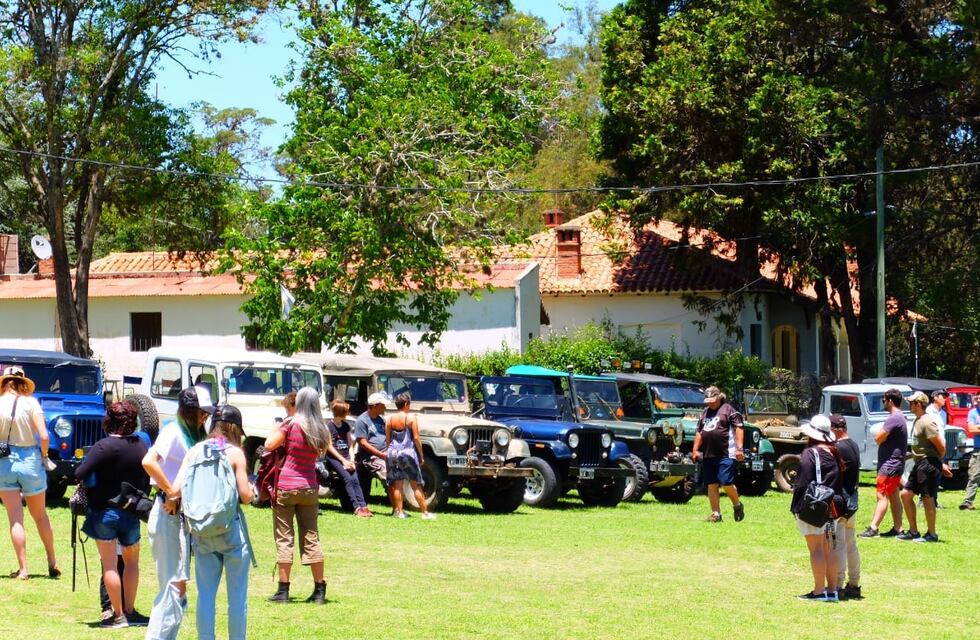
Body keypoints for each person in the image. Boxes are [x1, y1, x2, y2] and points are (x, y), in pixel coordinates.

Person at [173, 405, 255, 640]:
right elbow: (246, 497)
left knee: (206, 595)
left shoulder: (195, 450)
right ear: (235, 428)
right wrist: (252, 488)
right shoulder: (235, 453)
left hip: (202, 531)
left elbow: (176, 489)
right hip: (231, 530)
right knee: (237, 598)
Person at [143, 386, 214, 640]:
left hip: (181, 516)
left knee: (178, 586)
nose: (205, 418)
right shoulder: (173, 431)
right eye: (201, 413)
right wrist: (171, 491)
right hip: (168, 513)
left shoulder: (195, 435)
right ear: (189, 411)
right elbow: (148, 461)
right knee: (173, 587)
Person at [75, 401, 150, 628]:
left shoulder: (103, 446)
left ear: (109, 420)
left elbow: (80, 472)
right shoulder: (140, 446)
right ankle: (131, 610)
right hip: (131, 510)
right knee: (132, 564)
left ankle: (117, 615)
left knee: (109, 565)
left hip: (105, 511)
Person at [265, 387, 329, 605]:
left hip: (287, 486)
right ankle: (320, 589)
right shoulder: (320, 428)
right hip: (310, 486)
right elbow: (322, 451)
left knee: (285, 537)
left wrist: (277, 428)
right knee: (311, 536)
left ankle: (283, 590)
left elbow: (269, 445)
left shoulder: (291, 424)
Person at [0, 365, 60, 580]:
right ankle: (52, 560)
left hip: (4, 462)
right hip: (30, 460)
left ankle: (23, 569)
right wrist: (44, 456)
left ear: (4, 383)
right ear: (23, 383)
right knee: (40, 515)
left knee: (15, 518)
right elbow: (44, 436)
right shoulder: (32, 403)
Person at [791, 415, 844, 602]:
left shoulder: (810, 453)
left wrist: (796, 506)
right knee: (828, 548)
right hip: (832, 507)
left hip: (814, 508)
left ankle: (819, 591)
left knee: (816, 550)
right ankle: (832, 590)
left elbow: (802, 482)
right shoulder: (833, 452)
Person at [898, 391, 947, 542]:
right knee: (906, 494)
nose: (909, 406)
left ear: (918, 404)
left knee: (927, 497)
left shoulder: (927, 421)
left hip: (928, 463)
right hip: (919, 463)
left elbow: (941, 446)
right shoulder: (918, 420)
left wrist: (938, 463)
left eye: (911, 403)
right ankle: (913, 532)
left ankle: (931, 534)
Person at [692, 386, 746, 523]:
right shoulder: (704, 413)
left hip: (727, 453)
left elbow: (739, 428)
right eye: (708, 400)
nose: (710, 403)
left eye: (712, 400)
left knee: (726, 481)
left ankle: (737, 505)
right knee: (711, 484)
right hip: (709, 454)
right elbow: (699, 432)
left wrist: (740, 449)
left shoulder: (729, 410)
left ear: (719, 398)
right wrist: (695, 450)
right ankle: (716, 514)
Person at [859, 388, 907, 538]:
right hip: (895, 464)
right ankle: (898, 529)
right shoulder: (900, 417)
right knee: (893, 495)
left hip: (889, 465)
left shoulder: (894, 418)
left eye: (884, 400)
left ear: (890, 401)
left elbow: (878, 437)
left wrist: (881, 436)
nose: (883, 403)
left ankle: (873, 528)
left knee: (882, 495)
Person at [386, 394, 434, 520]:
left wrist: (390, 452)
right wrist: (421, 455)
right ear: (406, 404)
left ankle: (400, 512)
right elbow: (416, 438)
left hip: (393, 453)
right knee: (415, 484)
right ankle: (425, 513)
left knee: (398, 485)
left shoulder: (389, 419)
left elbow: (388, 440)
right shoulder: (411, 418)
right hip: (407, 453)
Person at [829, 414, 861, 600]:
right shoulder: (854, 445)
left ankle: (838, 584)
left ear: (835, 429)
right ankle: (855, 583)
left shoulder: (838, 448)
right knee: (850, 543)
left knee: (839, 544)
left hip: (841, 500)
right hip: (853, 499)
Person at [324, 400, 371, 517]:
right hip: (334, 457)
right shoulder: (329, 426)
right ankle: (356, 507)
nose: (348, 413)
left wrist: (351, 459)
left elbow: (350, 444)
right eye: (346, 411)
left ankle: (364, 506)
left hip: (346, 457)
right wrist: (343, 460)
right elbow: (329, 446)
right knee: (348, 479)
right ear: (341, 412)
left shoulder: (346, 426)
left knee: (355, 479)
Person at [353, 393, 395, 509]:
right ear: (376, 406)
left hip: (385, 454)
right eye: (383, 405)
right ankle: (397, 508)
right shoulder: (362, 420)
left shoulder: (382, 420)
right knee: (388, 475)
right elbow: (363, 443)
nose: (385, 407)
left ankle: (399, 507)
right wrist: (381, 454)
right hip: (370, 458)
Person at [959, 393, 980, 510]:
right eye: (977, 397)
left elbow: (975, 428)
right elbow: (971, 429)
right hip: (978, 450)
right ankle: (967, 503)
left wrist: (978, 427)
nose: (978, 399)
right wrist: (976, 428)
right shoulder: (972, 412)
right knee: (973, 476)